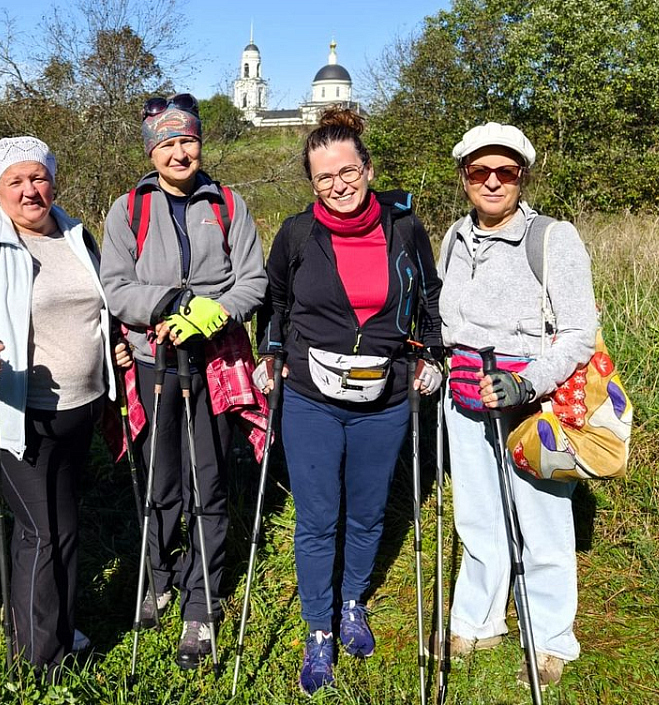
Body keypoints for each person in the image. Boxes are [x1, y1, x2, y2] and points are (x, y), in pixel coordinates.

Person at [256, 107, 443, 694]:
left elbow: (429, 297)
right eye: (324, 178)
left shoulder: (404, 228)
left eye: (348, 172)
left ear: (368, 169)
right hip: (311, 397)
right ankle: (319, 629)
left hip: (385, 397)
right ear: (312, 183)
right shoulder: (296, 234)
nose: (338, 185)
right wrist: (271, 354)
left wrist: (432, 355)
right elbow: (275, 303)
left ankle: (352, 602)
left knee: (366, 513)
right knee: (318, 518)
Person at [0, 136, 129, 678]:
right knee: (43, 530)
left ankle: (50, 626)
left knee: (61, 526)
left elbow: (96, 309)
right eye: (15, 181)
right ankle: (42, 662)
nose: (29, 190)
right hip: (15, 414)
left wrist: (112, 346)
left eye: (38, 177)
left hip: (81, 407)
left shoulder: (76, 234)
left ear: (53, 180)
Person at [100, 94, 268, 670]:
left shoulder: (227, 205)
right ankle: (158, 575)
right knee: (160, 477)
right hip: (153, 362)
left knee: (210, 481)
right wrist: (170, 304)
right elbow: (115, 288)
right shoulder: (128, 209)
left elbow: (253, 281)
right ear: (151, 151)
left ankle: (202, 600)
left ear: (200, 143)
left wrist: (212, 313)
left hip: (216, 362)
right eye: (167, 143)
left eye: (188, 141)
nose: (179, 152)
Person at [438, 121, 597, 690]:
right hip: (463, 393)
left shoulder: (553, 238)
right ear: (464, 177)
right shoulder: (454, 238)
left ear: (522, 176)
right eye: (480, 170)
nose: (492, 181)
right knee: (477, 512)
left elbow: (578, 333)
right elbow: (446, 321)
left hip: (531, 401)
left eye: (505, 171)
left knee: (542, 515)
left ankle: (550, 636)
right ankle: (478, 619)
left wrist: (526, 384)